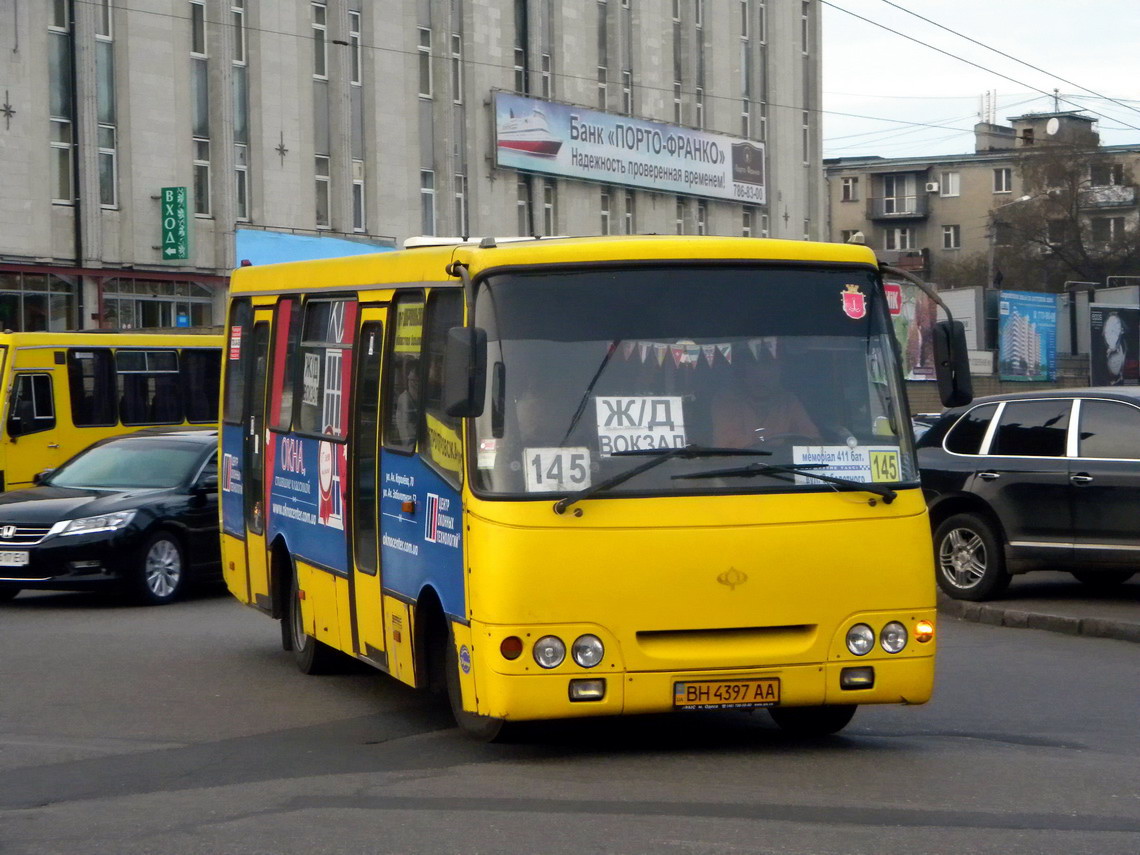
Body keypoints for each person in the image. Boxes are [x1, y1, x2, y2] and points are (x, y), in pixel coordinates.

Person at [711, 346, 819, 448]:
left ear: (779, 375)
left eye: (769, 377)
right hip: (738, 466)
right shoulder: (727, 401)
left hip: (782, 465)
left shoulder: (788, 402)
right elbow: (728, 446)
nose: (762, 382)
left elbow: (812, 440)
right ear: (744, 375)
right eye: (756, 377)